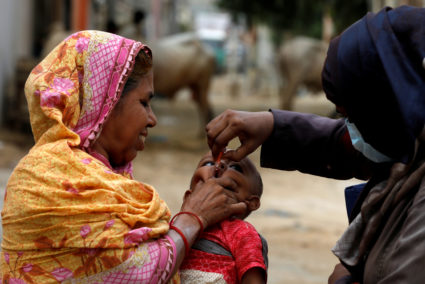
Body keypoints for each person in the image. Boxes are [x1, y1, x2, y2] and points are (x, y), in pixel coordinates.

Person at [0, 30, 246, 283]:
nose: (153, 119)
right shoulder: (43, 180)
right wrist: (193, 218)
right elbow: (131, 273)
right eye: (143, 103)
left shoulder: (104, 180)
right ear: (105, 102)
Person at [206, 5, 425, 284]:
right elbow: (350, 143)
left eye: (352, 117)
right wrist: (274, 126)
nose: (218, 169)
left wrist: (345, 279)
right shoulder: (409, 136)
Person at [179, 152, 268, 283]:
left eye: (236, 168)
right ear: (189, 196)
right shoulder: (177, 225)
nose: (218, 166)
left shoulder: (242, 233)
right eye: (208, 163)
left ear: (251, 202)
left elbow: (253, 277)